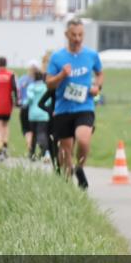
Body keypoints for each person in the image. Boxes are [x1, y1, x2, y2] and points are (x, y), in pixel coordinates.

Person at [46, 19, 103, 189]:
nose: (77, 38)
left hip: (84, 106)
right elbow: (49, 83)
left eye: (80, 35)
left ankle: (80, 167)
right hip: (63, 109)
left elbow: (100, 74)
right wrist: (61, 75)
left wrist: (97, 86)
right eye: (73, 35)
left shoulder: (91, 55)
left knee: (83, 140)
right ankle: (67, 185)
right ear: (66, 35)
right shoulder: (57, 57)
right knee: (65, 149)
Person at [24, 66, 51, 161]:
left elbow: (29, 99)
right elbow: (48, 101)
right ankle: (46, 151)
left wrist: (25, 104)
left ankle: (32, 154)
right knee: (42, 133)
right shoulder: (45, 87)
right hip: (43, 114)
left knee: (33, 134)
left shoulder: (31, 87)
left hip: (32, 114)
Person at [16, 63, 36, 155]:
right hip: (34, 108)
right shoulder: (37, 80)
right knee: (33, 130)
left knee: (27, 130)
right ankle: (32, 150)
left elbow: (17, 91)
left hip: (24, 106)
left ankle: (30, 149)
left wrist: (18, 102)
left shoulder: (22, 79)